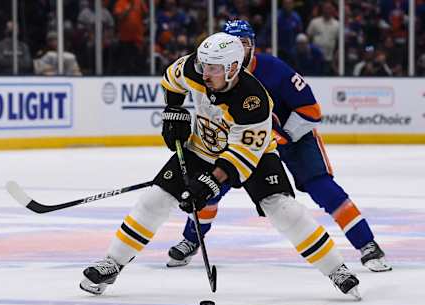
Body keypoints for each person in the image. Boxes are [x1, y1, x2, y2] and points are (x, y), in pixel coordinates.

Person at [79, 32, 360, 299]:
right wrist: (174, 111)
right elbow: (170, 81)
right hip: (201, 148)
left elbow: (242, 154)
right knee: (155, 199)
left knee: (282, 209)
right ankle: (113, 264)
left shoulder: (253, 102)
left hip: (256, 156)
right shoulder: (193, 68)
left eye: (213, 68)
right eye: (204, 65)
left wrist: (209, 183)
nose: (204, 73)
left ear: (233, 67)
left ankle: (336, 268)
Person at [168, 20, 392, 273]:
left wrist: (282, 135)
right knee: (210, 187)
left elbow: (311, 110)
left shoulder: (275, 69)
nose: (239, 51)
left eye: (244, 44)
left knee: (322, 188)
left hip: (293, 139)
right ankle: (191, 239)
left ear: (252, 46)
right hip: (244, 142)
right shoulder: (211, 73)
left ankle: (367, 244)